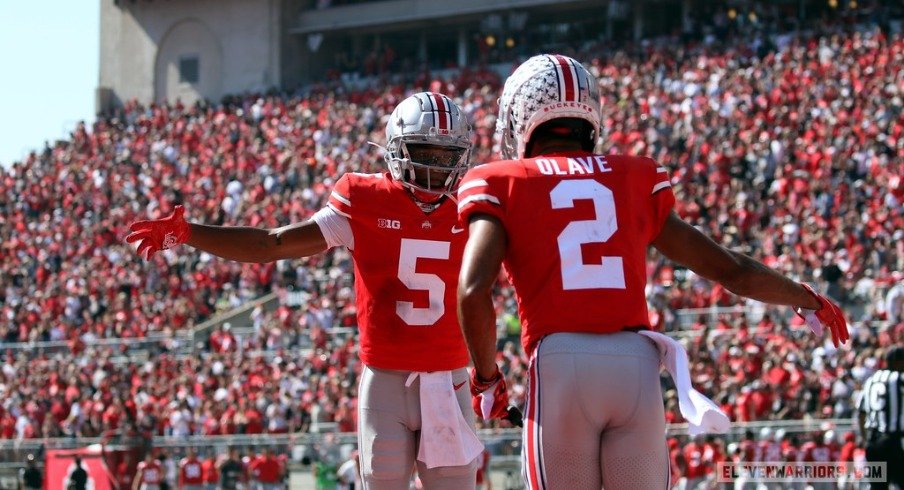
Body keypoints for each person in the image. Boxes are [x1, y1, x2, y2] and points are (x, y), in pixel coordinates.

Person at [456, 54, 850, 489]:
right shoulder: (633, 175)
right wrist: (805, 296)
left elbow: (474, 289)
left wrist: (486, 379)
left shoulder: (501, 180)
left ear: (521, 115)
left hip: (561, 364)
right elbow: (731, 270)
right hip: (635, 366)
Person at [126, 92, 483, 489]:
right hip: (387, 379)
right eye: (424, 152)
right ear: (396, 149)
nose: (433, 168)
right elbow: (272, 244)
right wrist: (191, 233)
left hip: (448, 379)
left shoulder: (474, 203)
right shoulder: (365, 199)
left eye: (444, 156)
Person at [856, 345, 904, 489]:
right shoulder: (898, 378)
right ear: (897, 362)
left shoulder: (871, 380)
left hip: (873, 443)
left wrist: (865, 439)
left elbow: (861, 412)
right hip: (893, 442)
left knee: (878, 487)